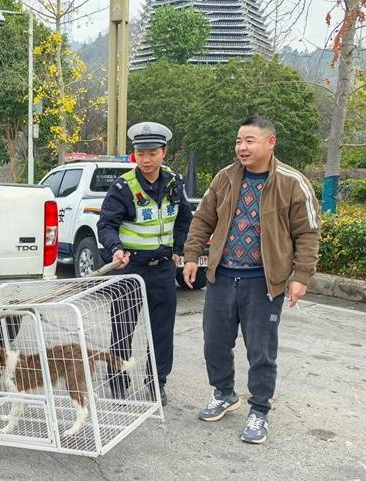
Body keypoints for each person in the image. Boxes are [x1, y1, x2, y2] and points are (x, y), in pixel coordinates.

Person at [182, 116, 320, 444]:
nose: (241, 147)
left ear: (270, 142)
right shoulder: (225, 178)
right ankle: (224, 393)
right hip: (222, 276)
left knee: (261, 350)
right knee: (215, 342)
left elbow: (308, 232)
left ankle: (259, 409)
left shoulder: (292, 182)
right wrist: (191, 256)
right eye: (238, 141)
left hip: (263, 282)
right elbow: (202, 219)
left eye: (249, 141)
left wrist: (301, 276)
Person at [97, 122, 193, 406]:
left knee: (161, 331)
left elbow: (185, 219)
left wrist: (177, 249)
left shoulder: (174, 183)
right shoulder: (123, 186)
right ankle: (118, 380)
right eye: (141, 154)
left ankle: (156, 382)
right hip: (129, 267)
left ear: (164, 152)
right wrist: (116, 248)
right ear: (134, 154)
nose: (146, 159)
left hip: (162, 268)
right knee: (123, 328)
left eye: (152, 153)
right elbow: (106, 225)